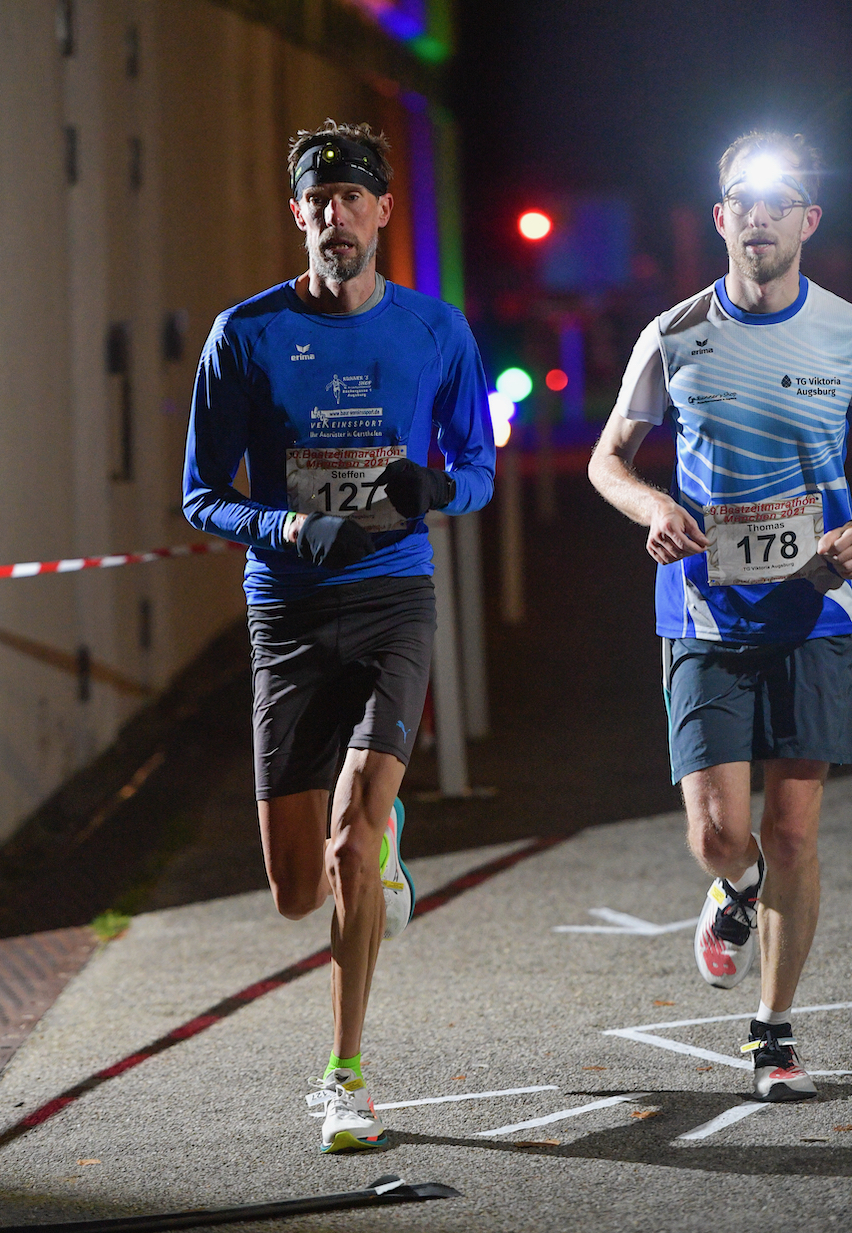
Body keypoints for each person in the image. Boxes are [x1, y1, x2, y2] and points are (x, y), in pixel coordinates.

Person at [183, 120, 494, 1149]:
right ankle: (376, 842)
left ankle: (345, 1075)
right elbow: (199, 494)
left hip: (393, 598)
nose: (335, 215)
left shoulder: (434, 331)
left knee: (353, 842)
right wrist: (277, 521)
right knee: (292, 888)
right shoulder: (247, 333)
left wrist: (437, 486)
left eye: (353, 196)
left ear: (382, 212)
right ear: (298, 215)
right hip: (288, 609)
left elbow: (478, 467)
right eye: (318, 200)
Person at [588, 130, 852, 1102]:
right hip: (701, 609)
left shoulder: (841, 331)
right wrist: (653, 505)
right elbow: (604, 458)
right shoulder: (674, 332)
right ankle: (728, 889)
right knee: (717, 833)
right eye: (740, 198)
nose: (757, 213)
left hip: (818, 608)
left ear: (805, 220)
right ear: (719, 217)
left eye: (776, 199)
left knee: (790, 830)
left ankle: (772, 1031)